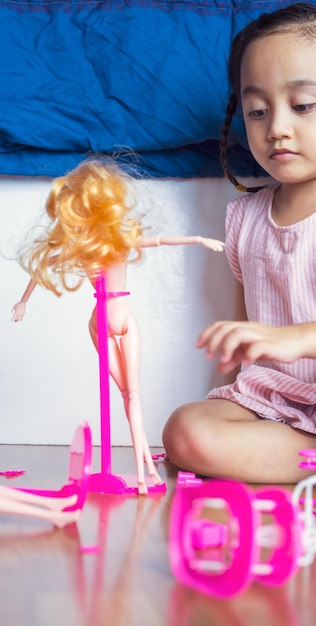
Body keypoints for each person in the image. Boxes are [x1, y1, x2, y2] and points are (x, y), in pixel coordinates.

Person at [162, 2, 316, 486]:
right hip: (280, 399)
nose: (276, 126)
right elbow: (249, 332)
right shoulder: (244, 217)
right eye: (257, 110)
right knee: (188, 432)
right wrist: (235, 378)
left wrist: (297, 338)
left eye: (301, 106)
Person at [11, 159, 224, 494]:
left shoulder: (121, 242)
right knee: (126, 394)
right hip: (99, 323)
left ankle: (144, 474)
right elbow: (43, 267)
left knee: (132, 394)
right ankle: (144, 474)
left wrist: (199, 239)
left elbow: (161, 241)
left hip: (124, 319)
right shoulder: (83, 250)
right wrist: (23, 301)